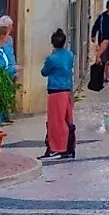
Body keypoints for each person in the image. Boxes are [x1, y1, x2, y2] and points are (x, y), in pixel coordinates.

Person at [40, 28, 78, 160]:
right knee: (67, 119)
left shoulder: (52, 58)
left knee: (56, 121)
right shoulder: (69, 55)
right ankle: (69, 146)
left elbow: (44, 72)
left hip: (55, 91)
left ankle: (58, 147)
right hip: (66, 90)